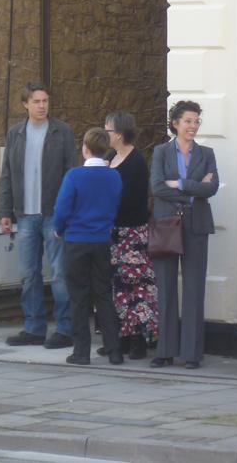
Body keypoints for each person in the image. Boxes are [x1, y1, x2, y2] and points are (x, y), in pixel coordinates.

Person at [0, 82, 75, 349]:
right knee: (28, 274)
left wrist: (67, 211)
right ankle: (34, 327)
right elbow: (6, 173)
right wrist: (5, 211)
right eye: (37, 101)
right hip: (25, 214)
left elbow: (70, 173)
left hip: (54, 212)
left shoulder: (61, 132)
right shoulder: (15, 134)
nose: (42, 106)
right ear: (25, 104)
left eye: (45, 101)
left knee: (59, 273)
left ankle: (65, 328)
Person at [149, 100, 219, 369]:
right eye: (189, 121)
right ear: (175, 123)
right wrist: (193, 188)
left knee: (194, 288)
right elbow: (156, 187)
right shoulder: (160, 152)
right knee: (165, 287)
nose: (193, 126)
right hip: (167, 224)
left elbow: (211, 188)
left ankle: (191, 354)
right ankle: (164, 351)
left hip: (196, 225)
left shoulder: (207, 153)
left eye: (197, 121)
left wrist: (179, 183)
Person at [53, 128, 123, 365]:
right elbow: (115, 206)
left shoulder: (74, 176)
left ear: (84, 149)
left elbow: (62, 208)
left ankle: (81, 352)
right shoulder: (114, 176)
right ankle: (114, 350)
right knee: (103, 294)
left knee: (79, 296)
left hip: (76, 240)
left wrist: (59, 227)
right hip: (101, 239)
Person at [104, 111, 158, 360]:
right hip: (112, 233)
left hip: (132, 233)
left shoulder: (136, 161)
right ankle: (120, 336)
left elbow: (134, 199)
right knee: (117, 286)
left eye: (108, 129)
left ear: (119, 132)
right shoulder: (109, 157)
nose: (105, 133)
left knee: (136, 286)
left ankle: (138, 338)